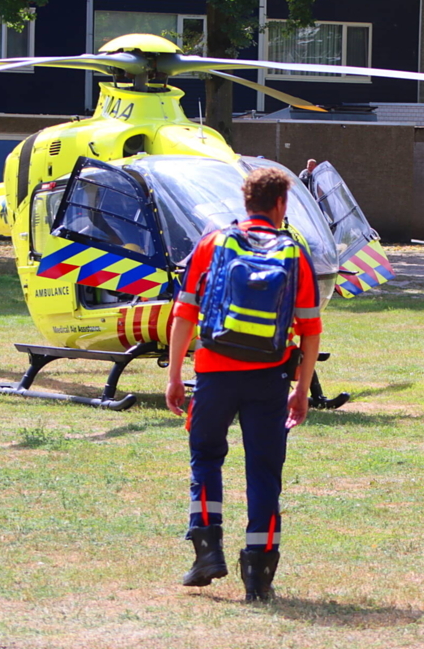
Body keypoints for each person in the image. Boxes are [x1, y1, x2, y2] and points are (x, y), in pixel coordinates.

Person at [165, 167, 322, 601]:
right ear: (280, 205)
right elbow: (310, 329)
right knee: (264, 473)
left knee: (206, 457)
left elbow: (184, 313)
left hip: (214, 373)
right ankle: (258, 576)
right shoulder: (295, 253)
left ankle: (207, 549)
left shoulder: (213, 243)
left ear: (245, 201)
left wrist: (175, 373)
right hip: (269, 378)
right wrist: (301, 388)